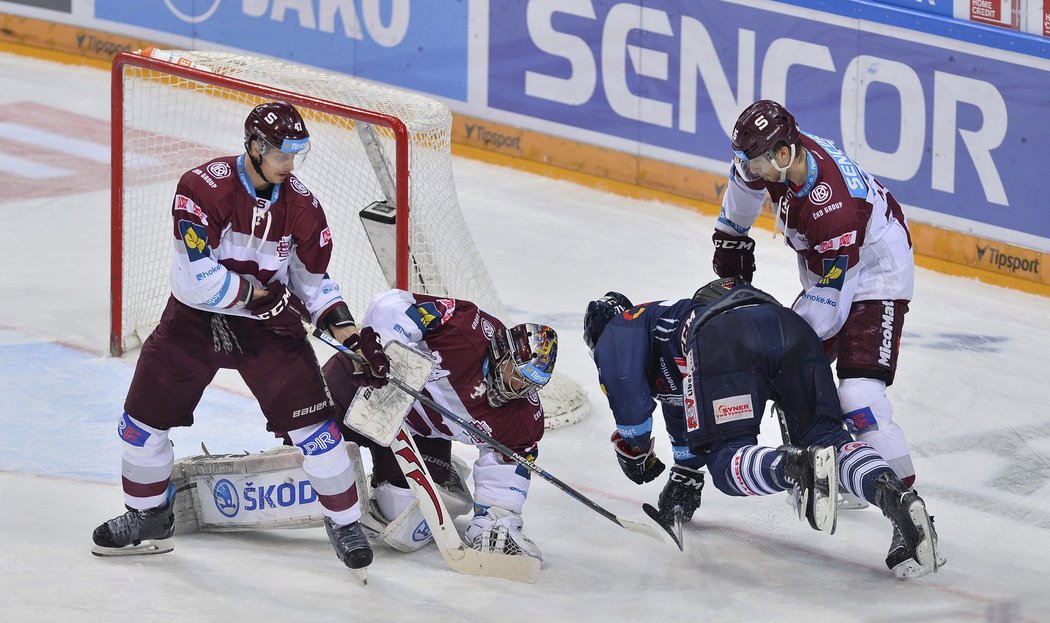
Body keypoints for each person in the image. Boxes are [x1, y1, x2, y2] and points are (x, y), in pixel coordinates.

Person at [91, 102, 391, 572]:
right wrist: (258, 295)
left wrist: (351, 337)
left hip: (269, 331)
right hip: (193, 322)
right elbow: (200, 281)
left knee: (317, 432)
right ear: (254, 146)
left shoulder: (304, 207)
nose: (290, 165)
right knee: (140, 425)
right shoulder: (201, 188)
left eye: (297, 154)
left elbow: (313, 284)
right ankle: (148, 515)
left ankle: (345, 523)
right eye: (282, 155)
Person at [584, 278, 944, 579]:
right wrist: (684, 475)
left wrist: (635, 449)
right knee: (830, 440)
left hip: (725, 338)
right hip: (788, 327)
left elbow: (628, 400)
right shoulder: (665, 334)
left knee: (727, 462)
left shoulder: (622, 326)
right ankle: (893, 494)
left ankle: (795, 465)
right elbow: (685, 411)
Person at [711, 100, 918, 488]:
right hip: (832, 266)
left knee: (859, 398)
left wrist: (783, 339)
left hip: (877, 273)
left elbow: (831, 307)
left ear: (784, 154)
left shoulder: (836, 208)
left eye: (753, 161)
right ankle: (831, 462)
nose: (748, 170)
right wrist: (730, 236)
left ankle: (905, 499)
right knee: (793, 373)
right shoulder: (778, 155)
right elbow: (745, 182)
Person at [323, 289, 558, 560]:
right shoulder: (463, 326)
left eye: (529, 384)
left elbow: (505, 468)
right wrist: (385, 352)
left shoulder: (522, 418)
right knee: (309, 450)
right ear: (501, 352)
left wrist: (495, 522)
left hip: (412, 431)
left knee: (404, 513)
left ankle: (440, 476)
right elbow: (389, 304)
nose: (518, 387)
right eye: (514, 374)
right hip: (359, 385)